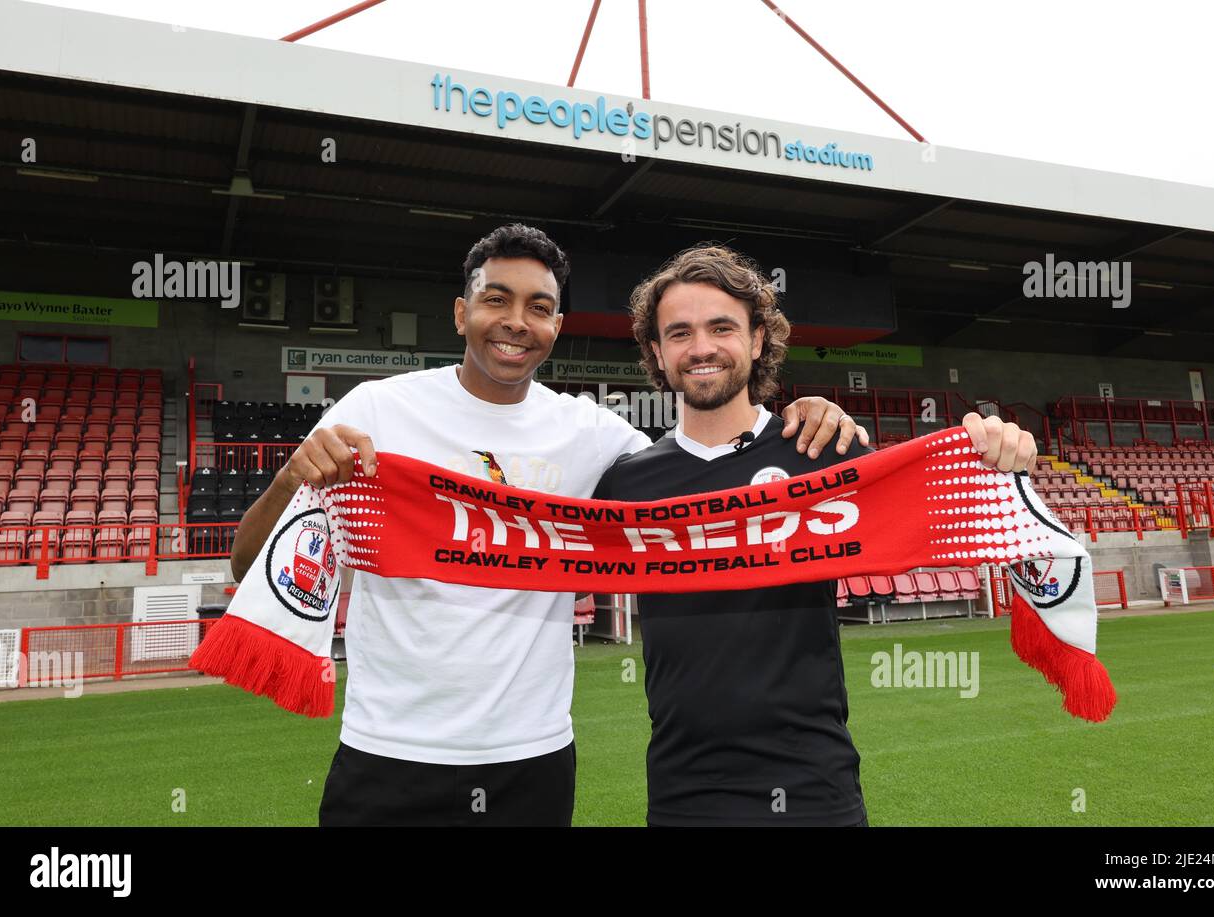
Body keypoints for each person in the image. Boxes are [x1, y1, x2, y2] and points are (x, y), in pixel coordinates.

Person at [227, 224, 869, 827]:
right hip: (387, 748)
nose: (515, 322)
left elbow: (708, 469)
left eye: (538, 307)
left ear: (557, 325)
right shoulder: (376, 409)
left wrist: (811, 414)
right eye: (496, 300)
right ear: (461, 312)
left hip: (532, 757)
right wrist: (291, 477)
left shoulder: (597, 439)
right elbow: (248, 567)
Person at [592, 244, 1036, 826]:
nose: (700, 347)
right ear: (657, 351)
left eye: (721, 327)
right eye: (680, 333)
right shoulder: (627, 485)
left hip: (814, 789)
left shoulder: (823, 454)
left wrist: (1003, 463)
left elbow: (956, 516)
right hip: (681, 794)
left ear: (756, 340)